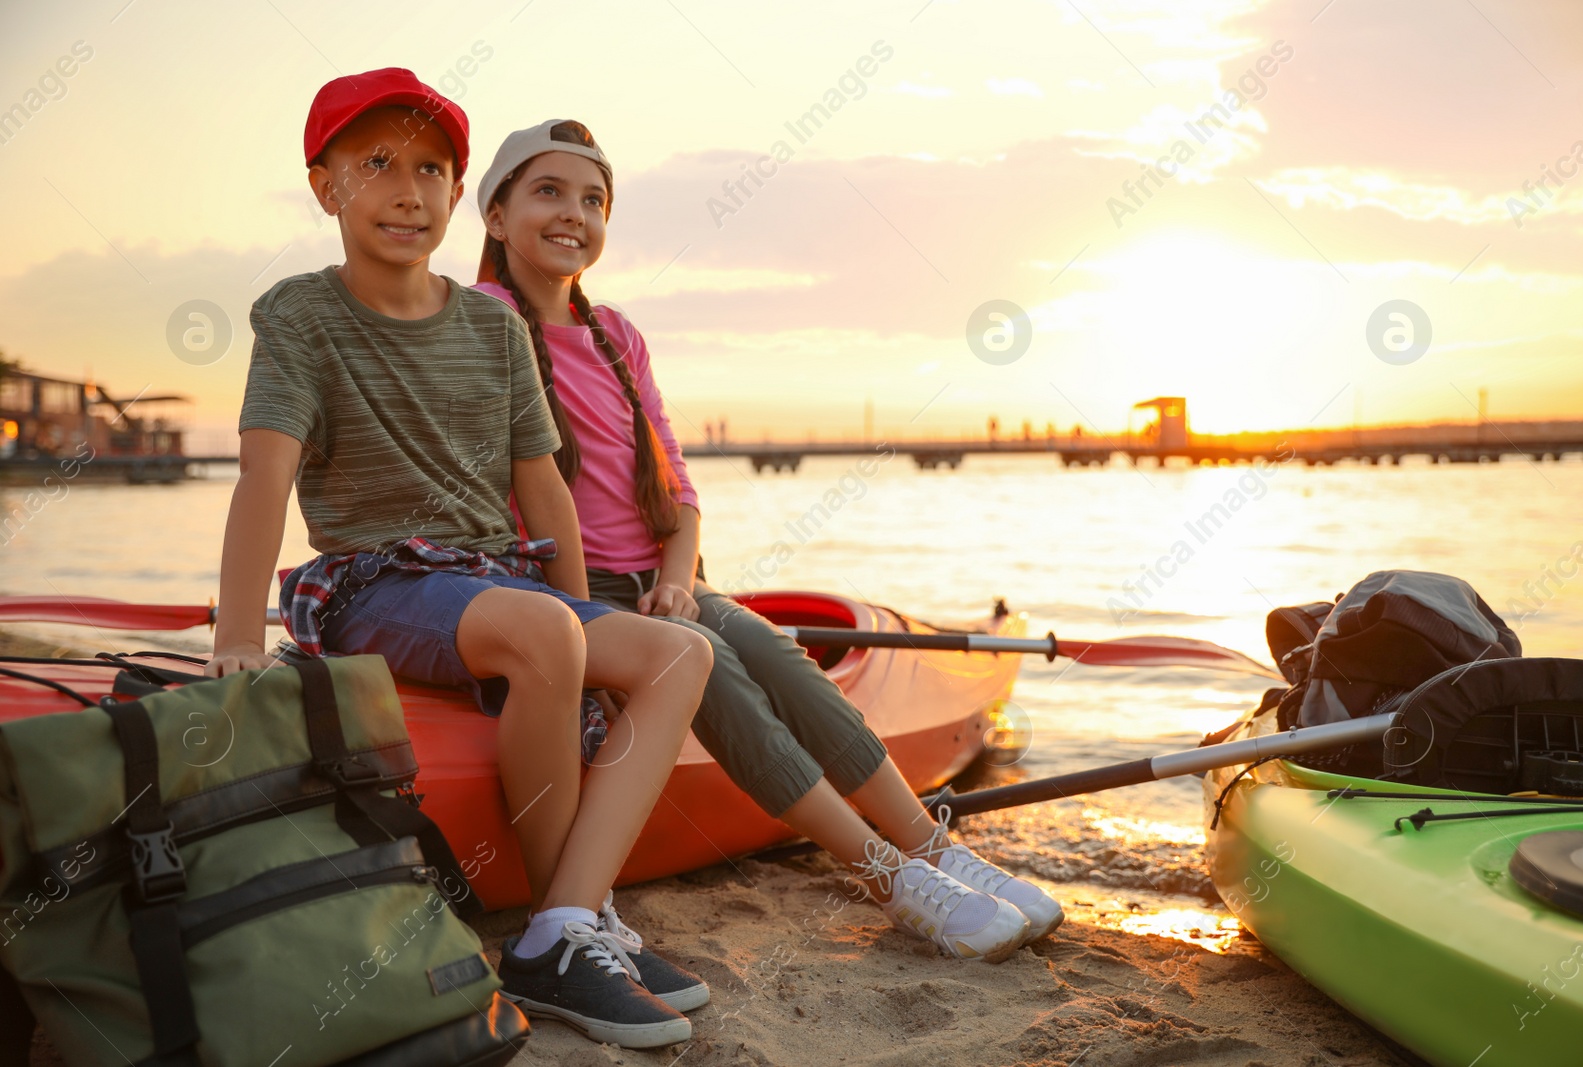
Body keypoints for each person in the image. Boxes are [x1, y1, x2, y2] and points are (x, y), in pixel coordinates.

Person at [472, 119, 1065, 973]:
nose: (574, 214)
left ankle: (929, 847)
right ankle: (881, 877)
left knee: (785, 664)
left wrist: (679, 581)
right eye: (548, 192)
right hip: (571, 591)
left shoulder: (620, 337)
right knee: (717, 670)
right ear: (494, 216)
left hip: (661, 580)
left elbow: (677, 489)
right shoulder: (482, 319)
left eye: (594, 199)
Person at [206, 71, 713, 1050]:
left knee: (676, 654)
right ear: (325, 187)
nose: (408, 191)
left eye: (432, 169)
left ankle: (567, 919)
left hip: (497, 577)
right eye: (378, 166)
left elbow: (545, 487)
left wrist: (582, 625)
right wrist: (235, 637)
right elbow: (263, 478)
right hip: (374, 578)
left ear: (456, 192)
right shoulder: (300, 315)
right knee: (543, 627)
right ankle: (565, 931)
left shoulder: (492, 325)